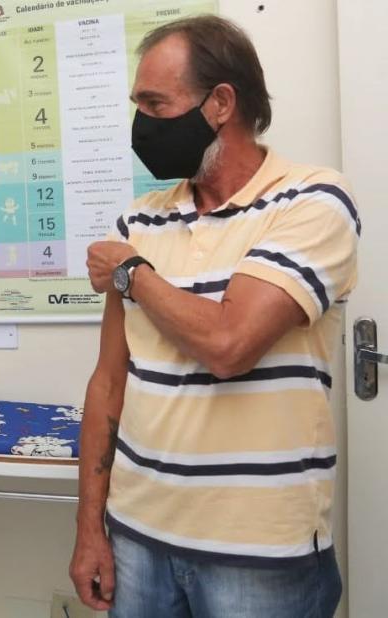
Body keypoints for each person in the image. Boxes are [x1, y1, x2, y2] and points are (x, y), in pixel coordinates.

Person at [68, 16, 359, 618]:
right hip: (137, 538)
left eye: (155, 103)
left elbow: (230, 343)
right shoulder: (140, 222)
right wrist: (90, 529)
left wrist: (132, 273)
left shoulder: (311, 201)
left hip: (258, 554)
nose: (141, 124)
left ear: (221, 103)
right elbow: (108, 383)